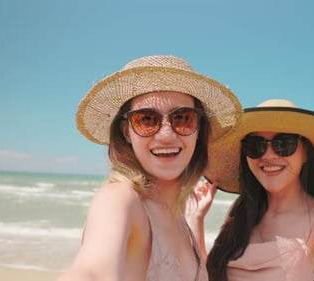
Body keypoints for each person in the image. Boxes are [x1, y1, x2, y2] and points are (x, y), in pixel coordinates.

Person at [58, 55, 242, 281]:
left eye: (183, 118)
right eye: (146, 119)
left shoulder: (180, 221)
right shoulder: (119, 199)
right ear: (126, 131)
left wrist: (196, 220)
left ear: (198, 129)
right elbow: (92, 272)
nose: (166, 134)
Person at [186, 99, 314, 281]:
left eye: (284, 144)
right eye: (256, 146)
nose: (269, 155)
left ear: (305, 153)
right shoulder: (241, 216)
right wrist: (196, 220)